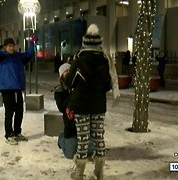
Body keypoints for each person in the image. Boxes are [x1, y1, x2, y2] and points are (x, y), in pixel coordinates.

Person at [65, 24, 118, 180]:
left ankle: (79, 173)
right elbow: (109, 84)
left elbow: (69, 83)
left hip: (81, 106)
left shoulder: (79, 59)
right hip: (98, 105)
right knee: (98, 137)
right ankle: (99, 172)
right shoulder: (105, 59)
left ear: (85, 42)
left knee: (83, 139)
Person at [0, 27, 35, 145]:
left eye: (12, 45)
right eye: (8, 46)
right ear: (4, 47)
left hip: (17, 88)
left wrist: (32, 43)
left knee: (19, 111)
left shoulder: (18, 57)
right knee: (9, 112)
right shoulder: (0, 57)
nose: (11, 47)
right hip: (7, 89)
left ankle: (17, 132)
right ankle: (9, 134)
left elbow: (29, 55)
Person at [55, 63, 94, 160]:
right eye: (65, 72)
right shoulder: (59, 91)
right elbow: (62, 107)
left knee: (90, 151)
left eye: (69, 71)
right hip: (70, 127)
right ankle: (61, 138)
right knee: (70, 154)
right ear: (61, 75)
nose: (68, 73)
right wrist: (73, 94)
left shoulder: (81, 86)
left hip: (83, 125)